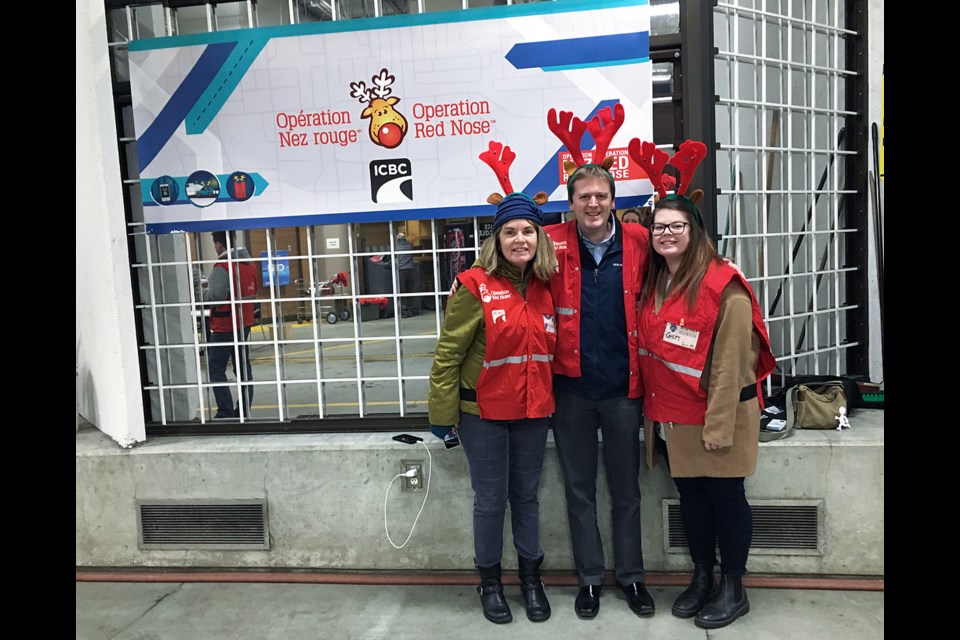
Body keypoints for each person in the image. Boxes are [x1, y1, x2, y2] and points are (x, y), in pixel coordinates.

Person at [638, 194, 775, 630]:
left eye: (677, 225)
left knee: (726, 500)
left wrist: (718, 427)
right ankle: (703, 576)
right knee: (692, 501)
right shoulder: (657, 280)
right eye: (659, 227)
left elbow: (732, 363)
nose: (667, 234)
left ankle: (733, 587)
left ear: (695, 231)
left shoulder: (723, 284)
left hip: (721, 415)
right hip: (675, 417)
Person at [428, 193, 559, 625]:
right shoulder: (472, 285)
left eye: (528, 231)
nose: (520, 239)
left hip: (533, 412)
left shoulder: (545, 286)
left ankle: (531, 579)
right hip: (482, 415)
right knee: (490, 501)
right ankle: (489, 581)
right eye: (510, 232)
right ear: (496, 238)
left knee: (526, 498)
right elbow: (448, 355)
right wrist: (442, 417)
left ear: (539, 237)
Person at [545, 164, 655, 620]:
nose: (593, 204)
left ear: (614, 201)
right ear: (570, 203)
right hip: (569, 389)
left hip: (622, 390)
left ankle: (631, 576)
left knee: (626, 489)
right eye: (584, 196)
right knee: (579, 488)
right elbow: (502, 263)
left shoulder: (640, 243)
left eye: (601, 196)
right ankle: (590, 579)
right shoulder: (548, 242)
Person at [201, 230, 259, 419]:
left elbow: (216, 297)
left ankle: (225, 411)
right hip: (244, 323)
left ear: (219, 245)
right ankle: (244, 410)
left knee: (216, 368)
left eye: (215, 245)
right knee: (242, 368)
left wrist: (201, 294)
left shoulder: (223, 266)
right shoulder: (248, 264)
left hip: (224, 325)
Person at [395, 231, 420, 317]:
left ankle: (404, 309)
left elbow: (392, 259)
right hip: (410, 269)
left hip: (401, 270)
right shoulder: (409, 246)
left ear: (398, 239)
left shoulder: (396, 247)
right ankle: (409, 308)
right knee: (410, 290)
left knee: (402, 291)